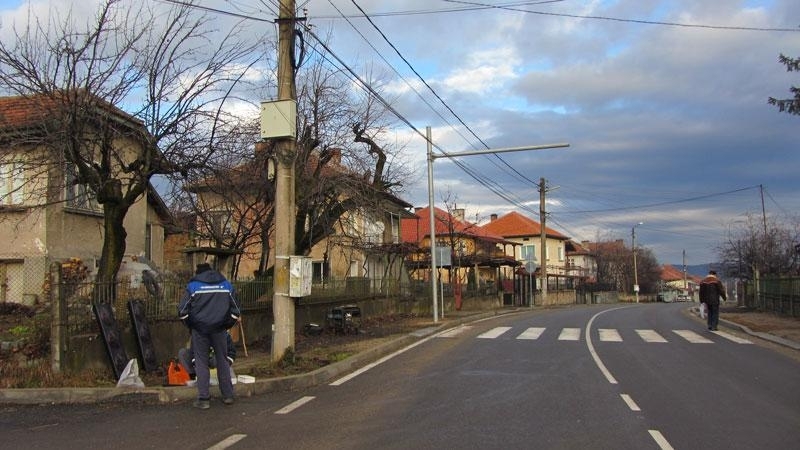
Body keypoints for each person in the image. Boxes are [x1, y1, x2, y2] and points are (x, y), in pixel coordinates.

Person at [178, 263, 241, 409]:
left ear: (198, 273)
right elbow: (236, 309)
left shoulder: (193, 286)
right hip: (219, 329)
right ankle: (228, 395)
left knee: (201, 361)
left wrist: (191, 324)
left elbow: (182, 311)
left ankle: (204, 399)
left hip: (200, 330)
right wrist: (227, 324)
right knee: (222, 360)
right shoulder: (225, 285)